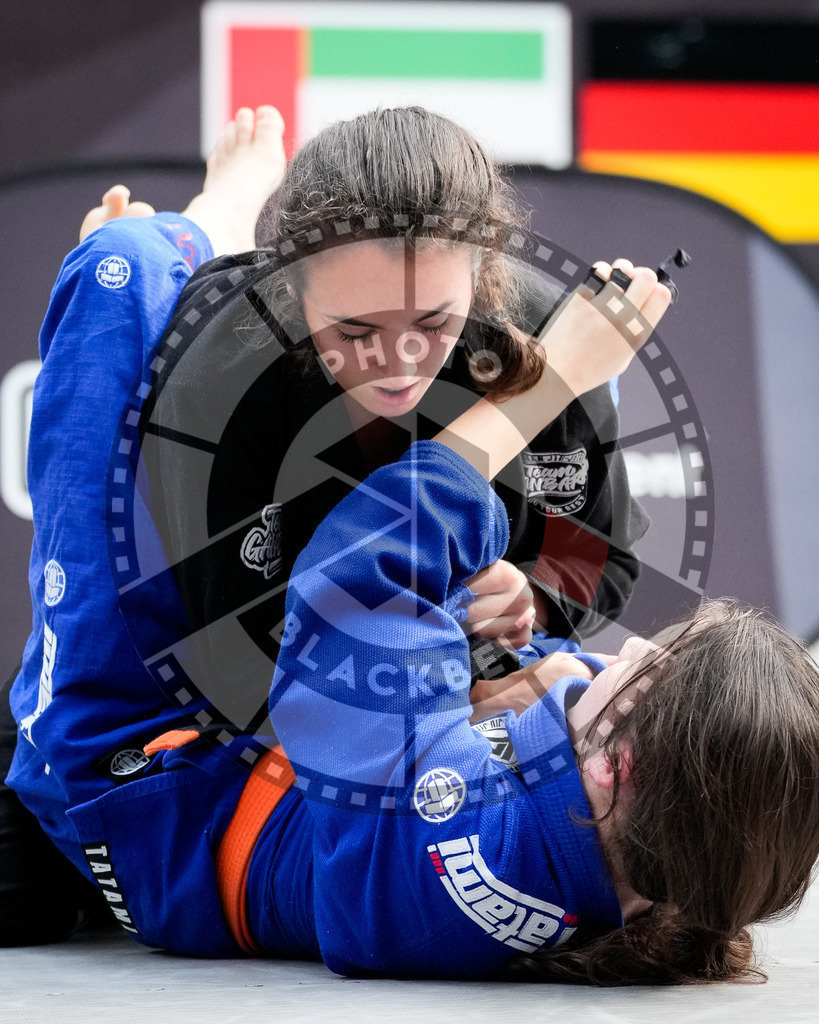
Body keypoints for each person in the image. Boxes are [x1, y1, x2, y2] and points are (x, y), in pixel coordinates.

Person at [7, 170, 819, 984]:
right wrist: (524, 610)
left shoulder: (441, 811)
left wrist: (553, 385)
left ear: (617, 767)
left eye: (655, 665)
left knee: (118, 271)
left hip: (139, 780)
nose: (635, 647)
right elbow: (572, 662)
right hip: (276, 748)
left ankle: (205, 223)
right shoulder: (660, 860)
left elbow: (359, 570)